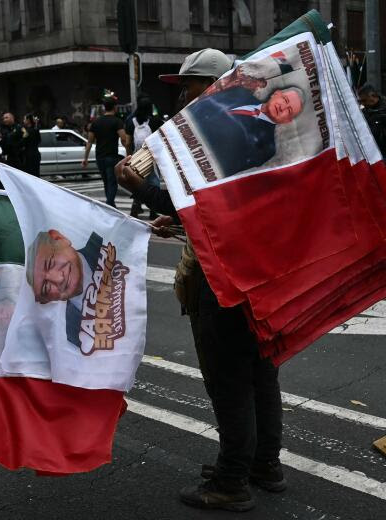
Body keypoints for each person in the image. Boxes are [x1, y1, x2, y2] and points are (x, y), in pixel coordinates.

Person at [115, 48, 285, 513]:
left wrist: (141, 190)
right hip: (260, 272)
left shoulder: (221, 131)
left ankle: (232, 481)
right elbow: (232, 211)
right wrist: (180, 224)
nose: (180, 98)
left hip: (229, 279)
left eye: (186, 87)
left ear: (211, 86)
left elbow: (211, 206)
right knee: (260, 372)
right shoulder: (257, 124)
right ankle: (263, 464)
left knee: (230, 379)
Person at [186, 86, 304, 177]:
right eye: (285, 100)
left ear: (287, 120)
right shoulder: (240, 93)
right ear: (276, 93)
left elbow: (225, 169)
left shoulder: (267, 148)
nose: (282, 107)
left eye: (289, 110)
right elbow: (202, 104)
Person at [25, 229, 103, 348]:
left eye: (50, 263)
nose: (58, 279)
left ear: (59, 238)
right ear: (45, 300)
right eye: (46, 287)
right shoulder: (69, 334)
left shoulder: (105, 240)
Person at [82, 97, 128, 207]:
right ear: (115, 107)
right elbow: (123, 138)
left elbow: (89, 142)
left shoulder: (96, 123)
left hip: (100, 157)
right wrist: (128, 150)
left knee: (106, 182)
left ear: (104, 108)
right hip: (112, 156)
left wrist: (85, 158)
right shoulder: (117, 121)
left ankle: (110, 203)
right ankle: (110, 204)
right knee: (112, 182)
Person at [125, 96, 163, 218]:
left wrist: (129, 157)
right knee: (153, 183)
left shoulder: (131, 121)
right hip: (151, 157)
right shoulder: (154, 121)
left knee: (138, 183)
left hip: (136, 156)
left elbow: (127, 142)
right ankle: (153, 211)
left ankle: (135, 208)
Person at [358, 83, 386, 158]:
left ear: (373, 96)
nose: (363, 104)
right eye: (361, 101)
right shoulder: (364, 112)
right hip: (371, 152)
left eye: (364, 100)